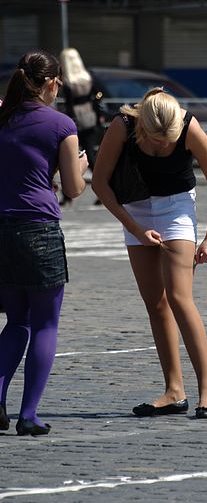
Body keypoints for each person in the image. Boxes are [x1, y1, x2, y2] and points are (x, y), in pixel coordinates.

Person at [92, 87, 207, 419]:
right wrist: (136, 229)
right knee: (155, 302)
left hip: (177, 208)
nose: (164, 145)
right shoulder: (123, 125)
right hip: (135, 210)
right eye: (157, 141)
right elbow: (99, 184)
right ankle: (173, 390)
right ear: (142, 127)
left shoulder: (189, 126)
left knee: (180, 297)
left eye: (170, 140)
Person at [0, 51, 88, 436]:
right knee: (44, 324)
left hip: (1, 228)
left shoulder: (2, 117)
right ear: (52, 83)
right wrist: (81, 169)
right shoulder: (60, 124)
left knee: (15, 320)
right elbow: (72, 188)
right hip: (38, 228)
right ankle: (29, 415)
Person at [59, 48, 102, 206]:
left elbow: (69, 106)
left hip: (76, 120)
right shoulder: (87, 78)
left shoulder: (68, 82)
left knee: (68, 156)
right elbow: (98, 95)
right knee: (91, 155)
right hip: (90, 117)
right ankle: (103, 189)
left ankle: (67, 195)